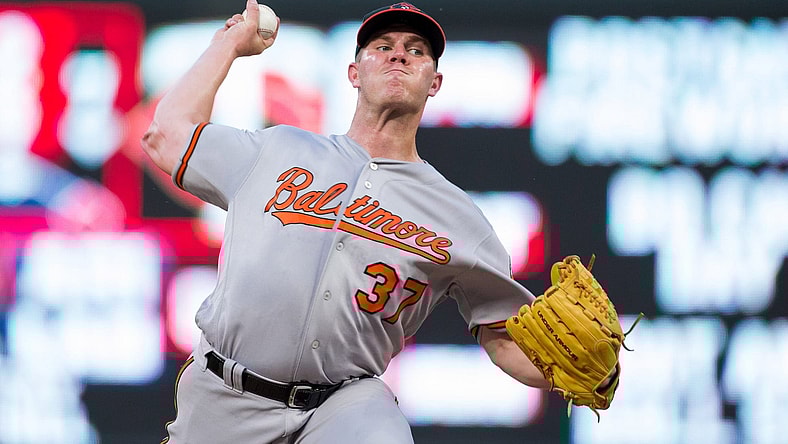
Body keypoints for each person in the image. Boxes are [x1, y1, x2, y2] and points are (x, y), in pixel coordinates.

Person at [142, 2, 553, 443]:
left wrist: (576, 375)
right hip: (226, 394)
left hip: (343, 406)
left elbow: (505, 337)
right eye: (383, 46)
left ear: (434, 83)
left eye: (416, 51)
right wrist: (228, 44)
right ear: (354, 73)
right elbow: (167, 134)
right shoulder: (277, 151)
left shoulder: (459, 218)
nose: (399, 55)